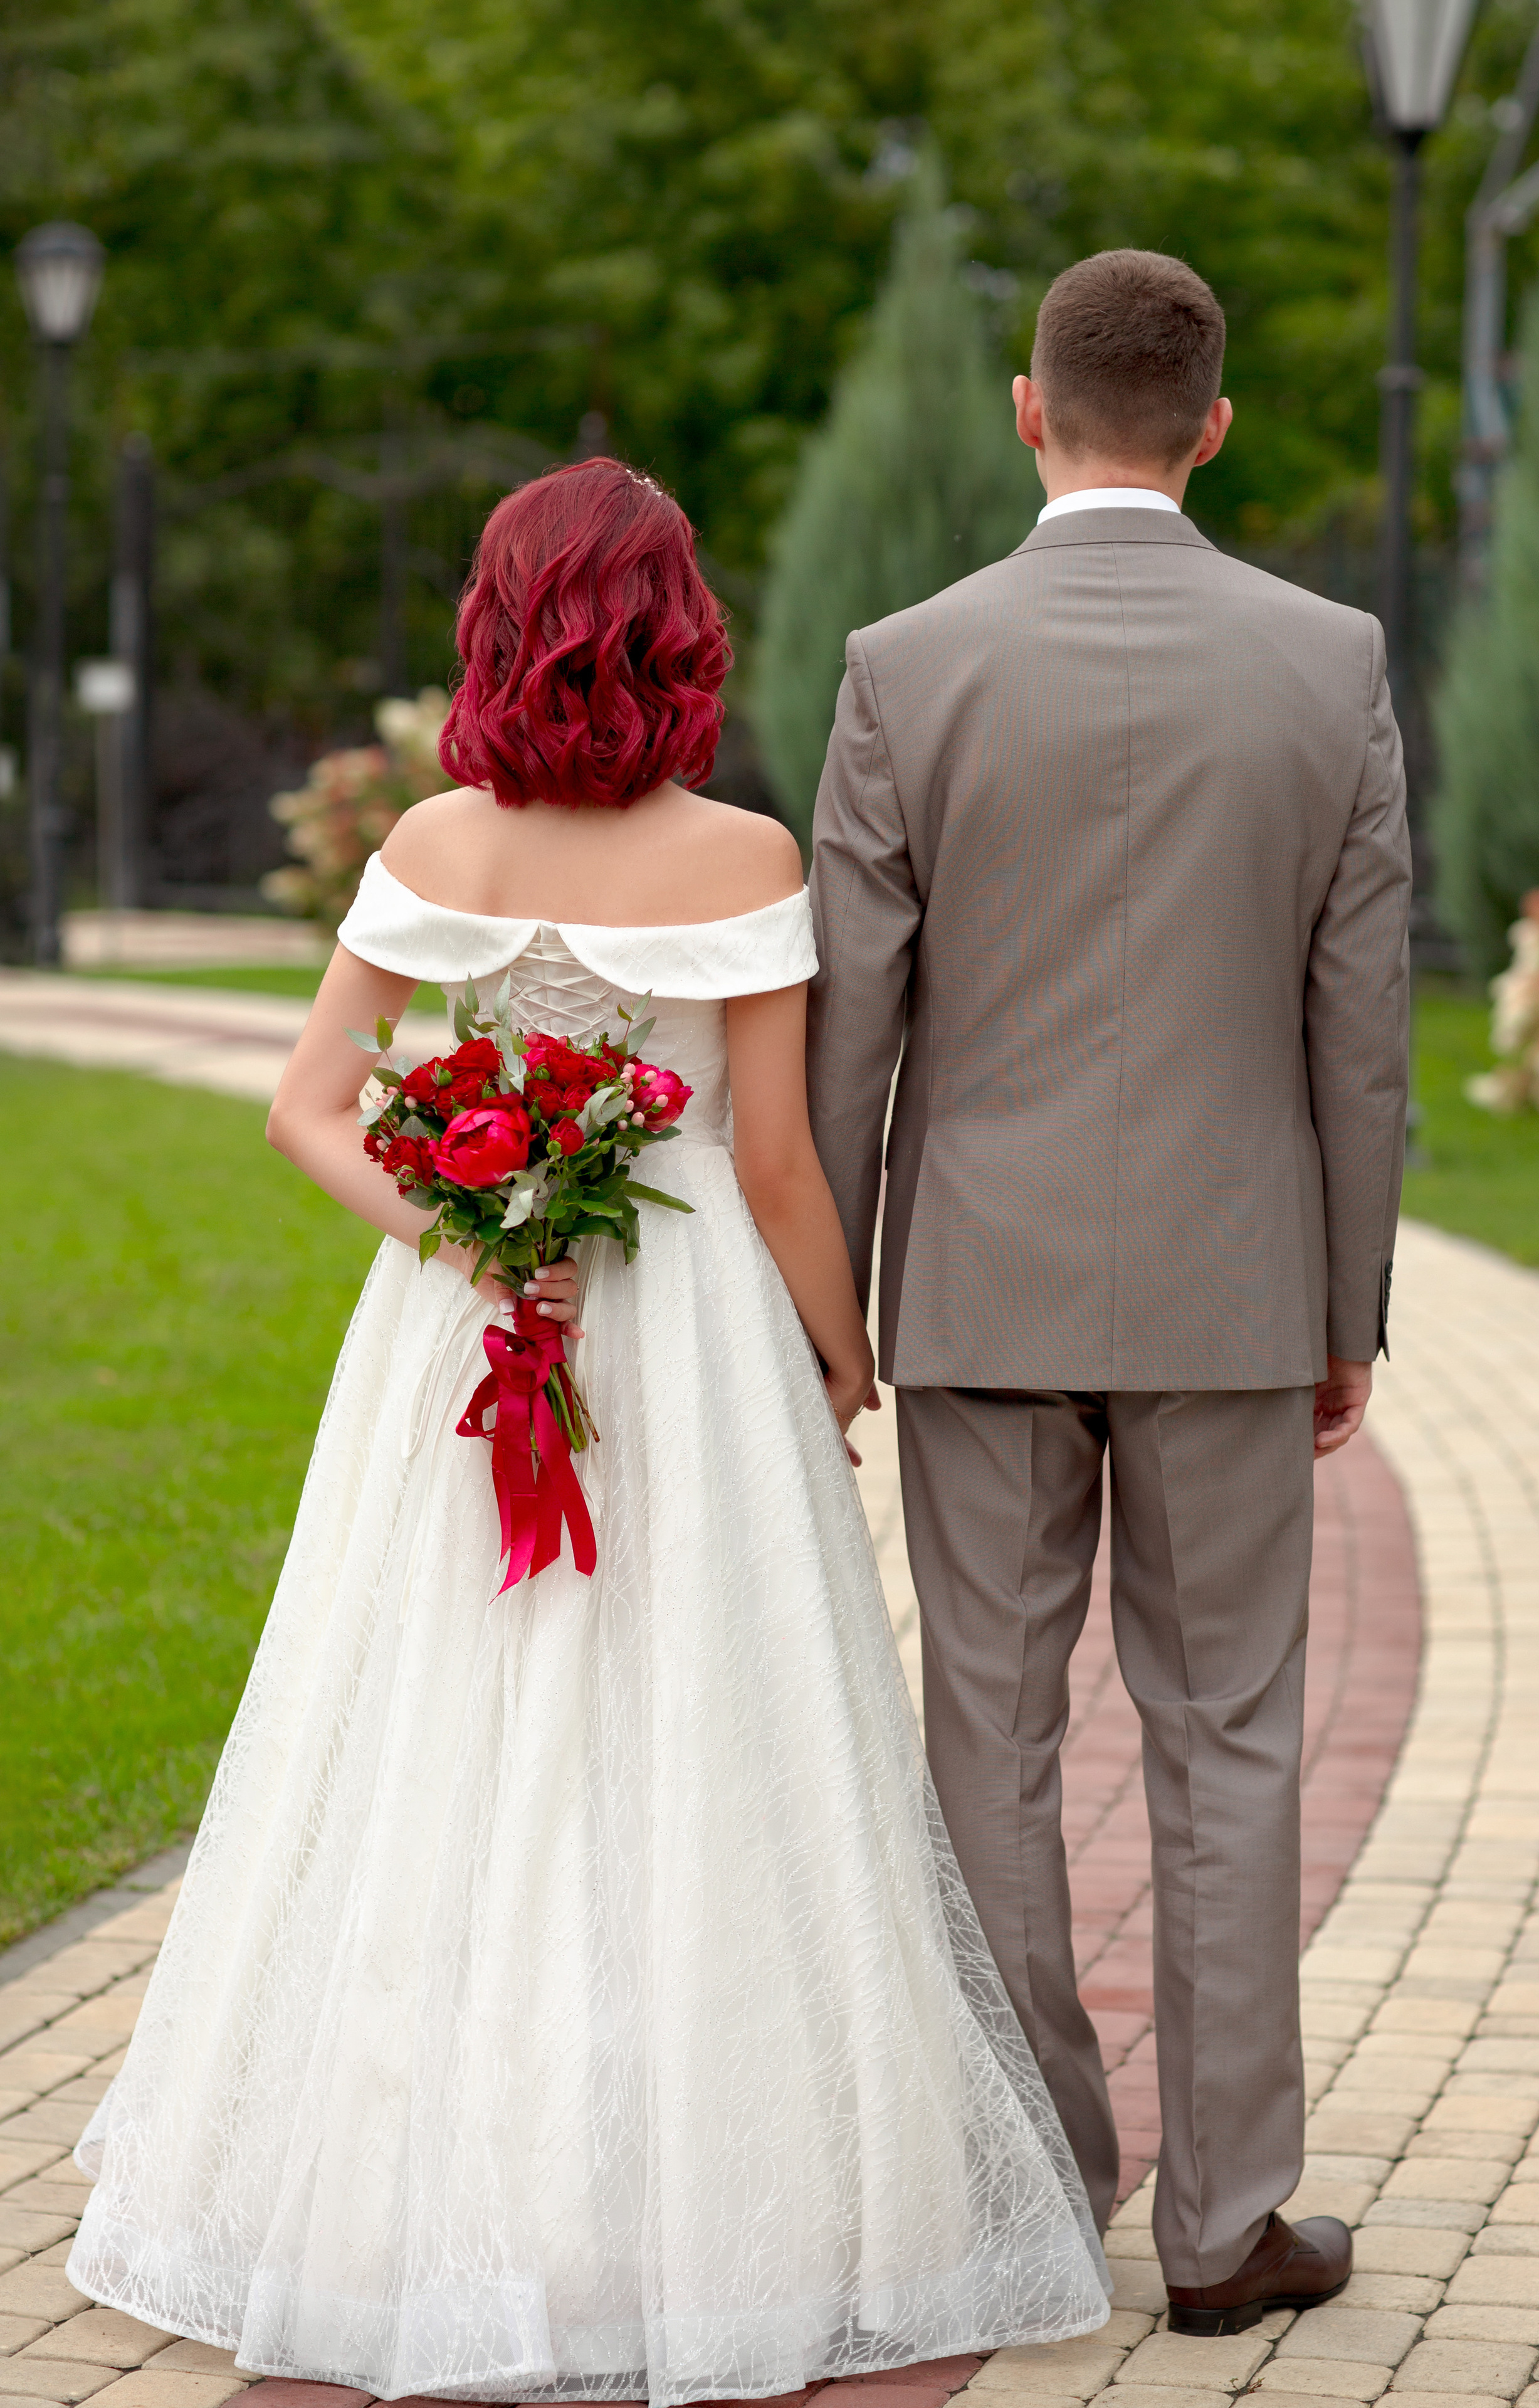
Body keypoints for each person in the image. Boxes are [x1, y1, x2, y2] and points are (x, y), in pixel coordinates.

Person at [66, 460, 1109, 2406]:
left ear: (497, 621)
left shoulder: (437, 844)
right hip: (691, 1339)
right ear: (674, 632)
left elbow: (308, 1106)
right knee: (713, 1730)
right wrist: (844, 1350)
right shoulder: (742, 858)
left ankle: (420, 2200)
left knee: (446, 1727)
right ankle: (733, 2204)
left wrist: (474, 1236)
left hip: (466, 1342)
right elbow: (779, 1157)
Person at [806, 249, 1411, 2338]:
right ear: (1215, 421)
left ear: (1024, 407)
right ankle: (1229, 2227)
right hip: (1242, 1293)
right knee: (1230, 1741)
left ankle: (1034, 2183)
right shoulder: (1329, 662)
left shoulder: (906, 664)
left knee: (985, 1730)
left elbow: (850, 1032)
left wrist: (841, 1306)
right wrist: (1350, 1306)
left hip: (974, 1294)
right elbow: (1362, 1030)